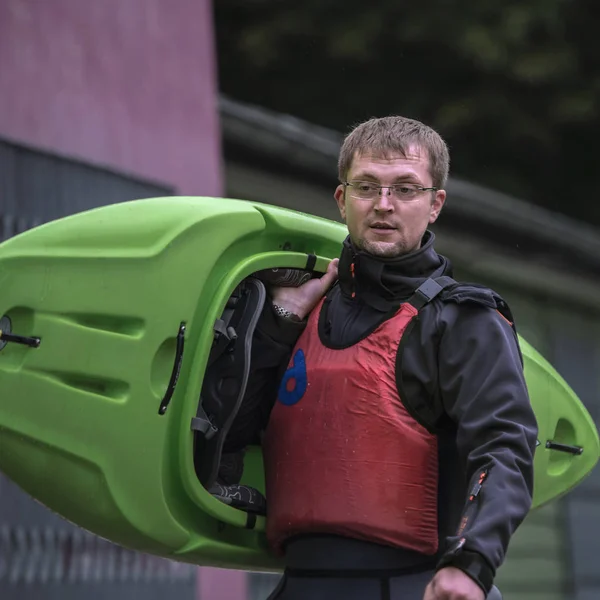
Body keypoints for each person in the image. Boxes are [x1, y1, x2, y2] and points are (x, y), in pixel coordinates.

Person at [219, 116, 538, 600]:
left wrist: (471, 562)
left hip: (420, 585)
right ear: (342, 199)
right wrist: (279, 323)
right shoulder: (296, 310)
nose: (384, 205)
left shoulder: (462, 319)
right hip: (298, 586)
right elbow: (231, 439)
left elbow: (504, 447)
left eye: (406, 189)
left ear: (435, 205)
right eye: (367, 186)